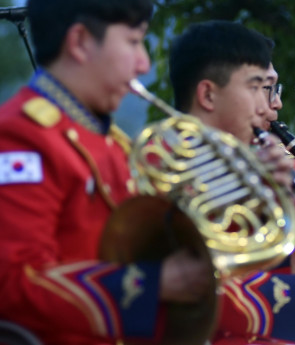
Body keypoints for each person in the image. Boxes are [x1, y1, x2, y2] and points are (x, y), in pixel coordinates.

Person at [0, 1, 212, 344]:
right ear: (81, 41)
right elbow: (14, 282)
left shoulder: (111, 140)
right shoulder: (23, 135)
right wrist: (153, 284)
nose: (143, 63)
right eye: (132, 41)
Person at [168, 20, 295, 344]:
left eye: (273, 90)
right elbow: (192, 293)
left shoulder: (231, 171)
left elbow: (243, 277)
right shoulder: (173, 172)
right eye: (259, 88)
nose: (274, 105)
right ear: (209, 94)